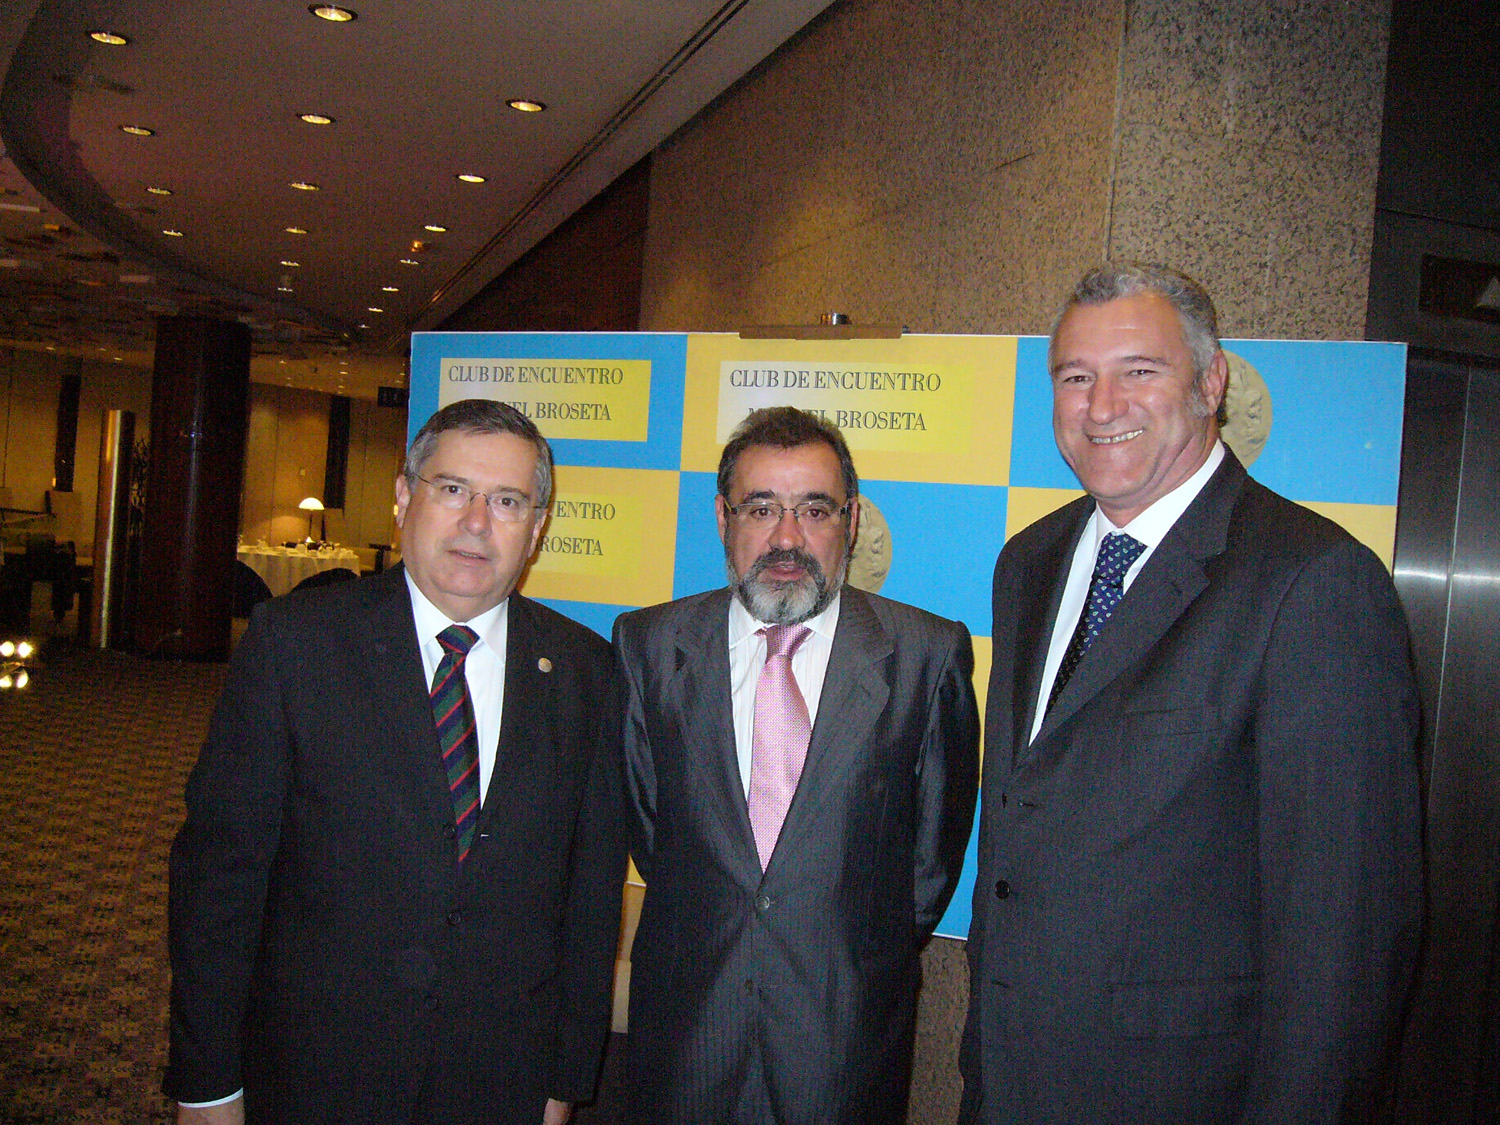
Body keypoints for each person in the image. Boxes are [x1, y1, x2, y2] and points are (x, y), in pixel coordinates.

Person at [958, 263, 1424, 1123]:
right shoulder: (1028, 561)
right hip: (1011, 1081)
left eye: (1139, 370)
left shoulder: (1312, 581)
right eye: (1075, 377)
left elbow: (1345, 938)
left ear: (1212, 383)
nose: (1102, 406)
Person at [164, 399, 624, 1125]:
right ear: (404, 497)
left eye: (507, 501)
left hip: (500, 1079)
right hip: (314, 1074)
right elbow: (218, 882)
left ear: (537, 528)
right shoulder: (295, 644)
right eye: (453, 489)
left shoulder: (585, 671)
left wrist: (564, 1081)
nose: (478, 522)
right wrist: (208, 1084)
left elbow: (589, 899)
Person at [615, 406, 980, 1124]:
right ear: (723, 518)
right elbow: (652, 831)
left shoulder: (926, 655)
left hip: (843, 1037)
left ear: (851, 520)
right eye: (761, 508)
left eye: (814, 510)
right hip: (689, 1032)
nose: (787, 538)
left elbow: (931, 860)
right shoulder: (648, 645)